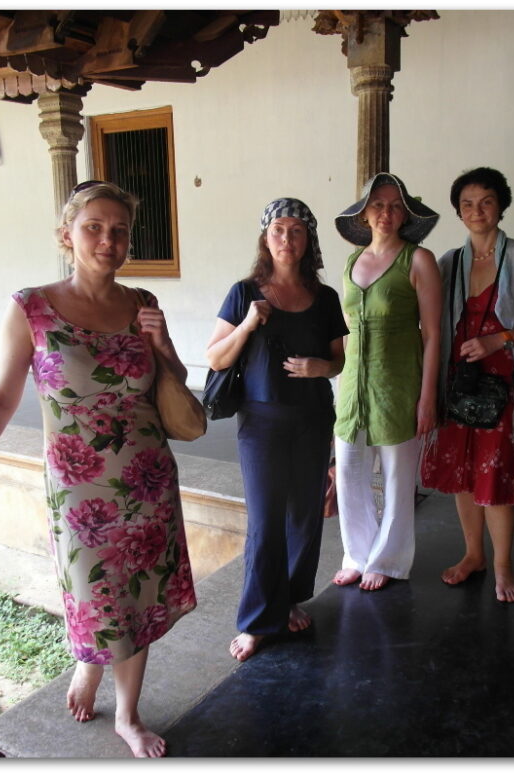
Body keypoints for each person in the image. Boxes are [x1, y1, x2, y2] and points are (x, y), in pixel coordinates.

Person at [0, 180, 196, 757]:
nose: (107, 240)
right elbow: (3, 395)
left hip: (147, 476)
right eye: (93, 227)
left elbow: (173, 385)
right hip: (81, 488)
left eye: (119, 230)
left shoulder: (142, 303)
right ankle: (90, 664)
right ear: (67, 235)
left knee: (137, 594)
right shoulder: (32, 307)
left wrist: (164, 344)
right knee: (98, 594)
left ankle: (127, 715)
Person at [206, 198, 347, 662]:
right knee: (266, 521)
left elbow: (338, 360)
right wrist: (248, 323)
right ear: (266, 239)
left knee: (304, 517)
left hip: (312, 418)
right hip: (262, 422)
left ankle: (288, 600)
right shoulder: (244, 292)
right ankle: (255, 621)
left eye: (297, 231)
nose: (287, 239)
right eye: (279, 230)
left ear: (309, 240)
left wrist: (321, 367)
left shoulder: (325, 298)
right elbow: (215, 358)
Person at [420, 166, 514, 603]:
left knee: (494, 476)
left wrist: (499, 339)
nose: (476, 211)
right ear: (458, 212)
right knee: (463, 474)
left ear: (501, 206)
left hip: (501, 385)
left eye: (486, 202)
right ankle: (473, 555)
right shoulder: (448, 263)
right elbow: (428, 321)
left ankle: (503, 566)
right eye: (467, 204)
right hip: (458, 381)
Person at [331, 172, 442, 591]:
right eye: (378, 204)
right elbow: (345, 330)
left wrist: (427, 397)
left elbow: (433, 334)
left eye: (396, 206)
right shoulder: (350, 263)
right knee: (348, 471)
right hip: (352, 386)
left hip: (398, 383)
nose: (386, 213)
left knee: (397, 476)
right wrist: (339, 384)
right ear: (364, 213)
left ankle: (389, 560)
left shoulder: (419, 260)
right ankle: (357, 554)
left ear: (406, 214)